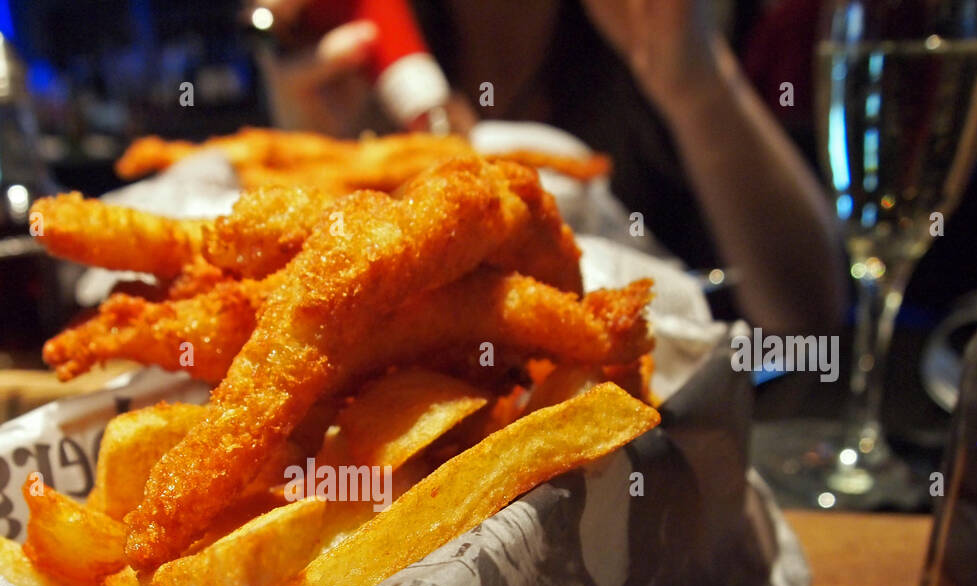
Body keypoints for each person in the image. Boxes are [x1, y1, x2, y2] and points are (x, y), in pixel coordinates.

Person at [253, 0, 848, 338]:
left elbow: (812, 323)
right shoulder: (357, 31)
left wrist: (696, 88)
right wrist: (312, 143)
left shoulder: (669, 21)